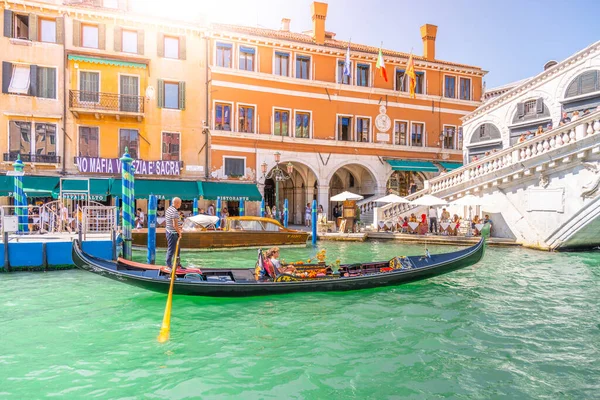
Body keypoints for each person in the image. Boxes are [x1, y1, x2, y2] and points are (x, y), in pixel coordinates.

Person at [165, 197, 183, 268]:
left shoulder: (169, 209)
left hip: (169, 231)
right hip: (172, 233)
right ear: (177, 203)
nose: (180, 204)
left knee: (177, 249)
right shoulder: (174, 211)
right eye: (180, 203)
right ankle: (169, 264)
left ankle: (177, 263)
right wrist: (179, 232)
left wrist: (179, 226)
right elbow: (174, 225)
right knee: (172, 249)